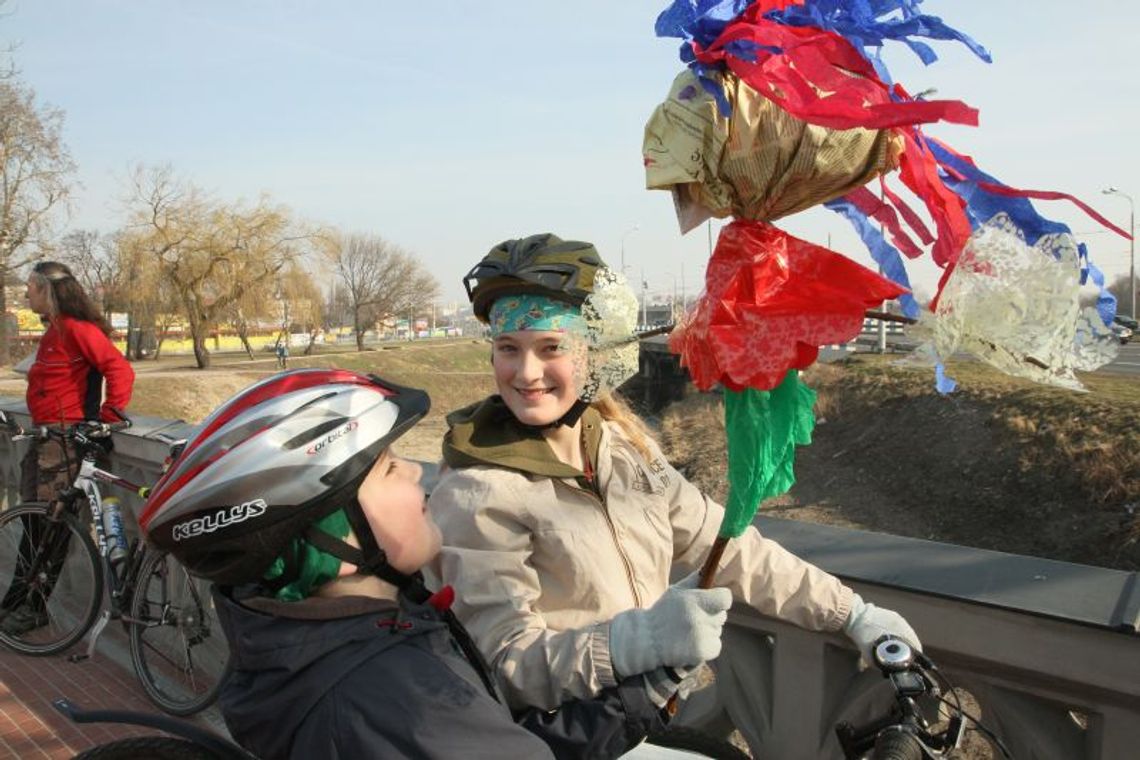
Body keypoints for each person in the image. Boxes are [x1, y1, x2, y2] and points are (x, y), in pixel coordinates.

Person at [428, 233, 922, 717]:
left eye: (551, 346)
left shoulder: (623, 450)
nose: (526, 372)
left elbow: (729, 547)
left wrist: (852, 613)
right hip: (567, 740)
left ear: (592, 352)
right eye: (508, 348)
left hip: (641, 721)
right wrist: (635, 642)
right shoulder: (479, 492)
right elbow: (504, 665)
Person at [140, 369, 673, 760]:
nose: (418, 476)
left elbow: (487, 739)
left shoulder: (346, 644)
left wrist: (637, 697)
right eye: (391, 469)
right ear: (336, 541)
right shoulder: (396, 700)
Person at [0, 260, 135, 636]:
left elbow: (120, 370)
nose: (26, 292)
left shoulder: (77, 330)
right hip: (45, 441)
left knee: (48, 528)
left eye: (30, 286)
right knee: (33, 524)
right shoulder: (54, 332)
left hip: (65, 445)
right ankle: (16, 602)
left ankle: (33, 608)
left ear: (49, 290)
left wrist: (108, 415)